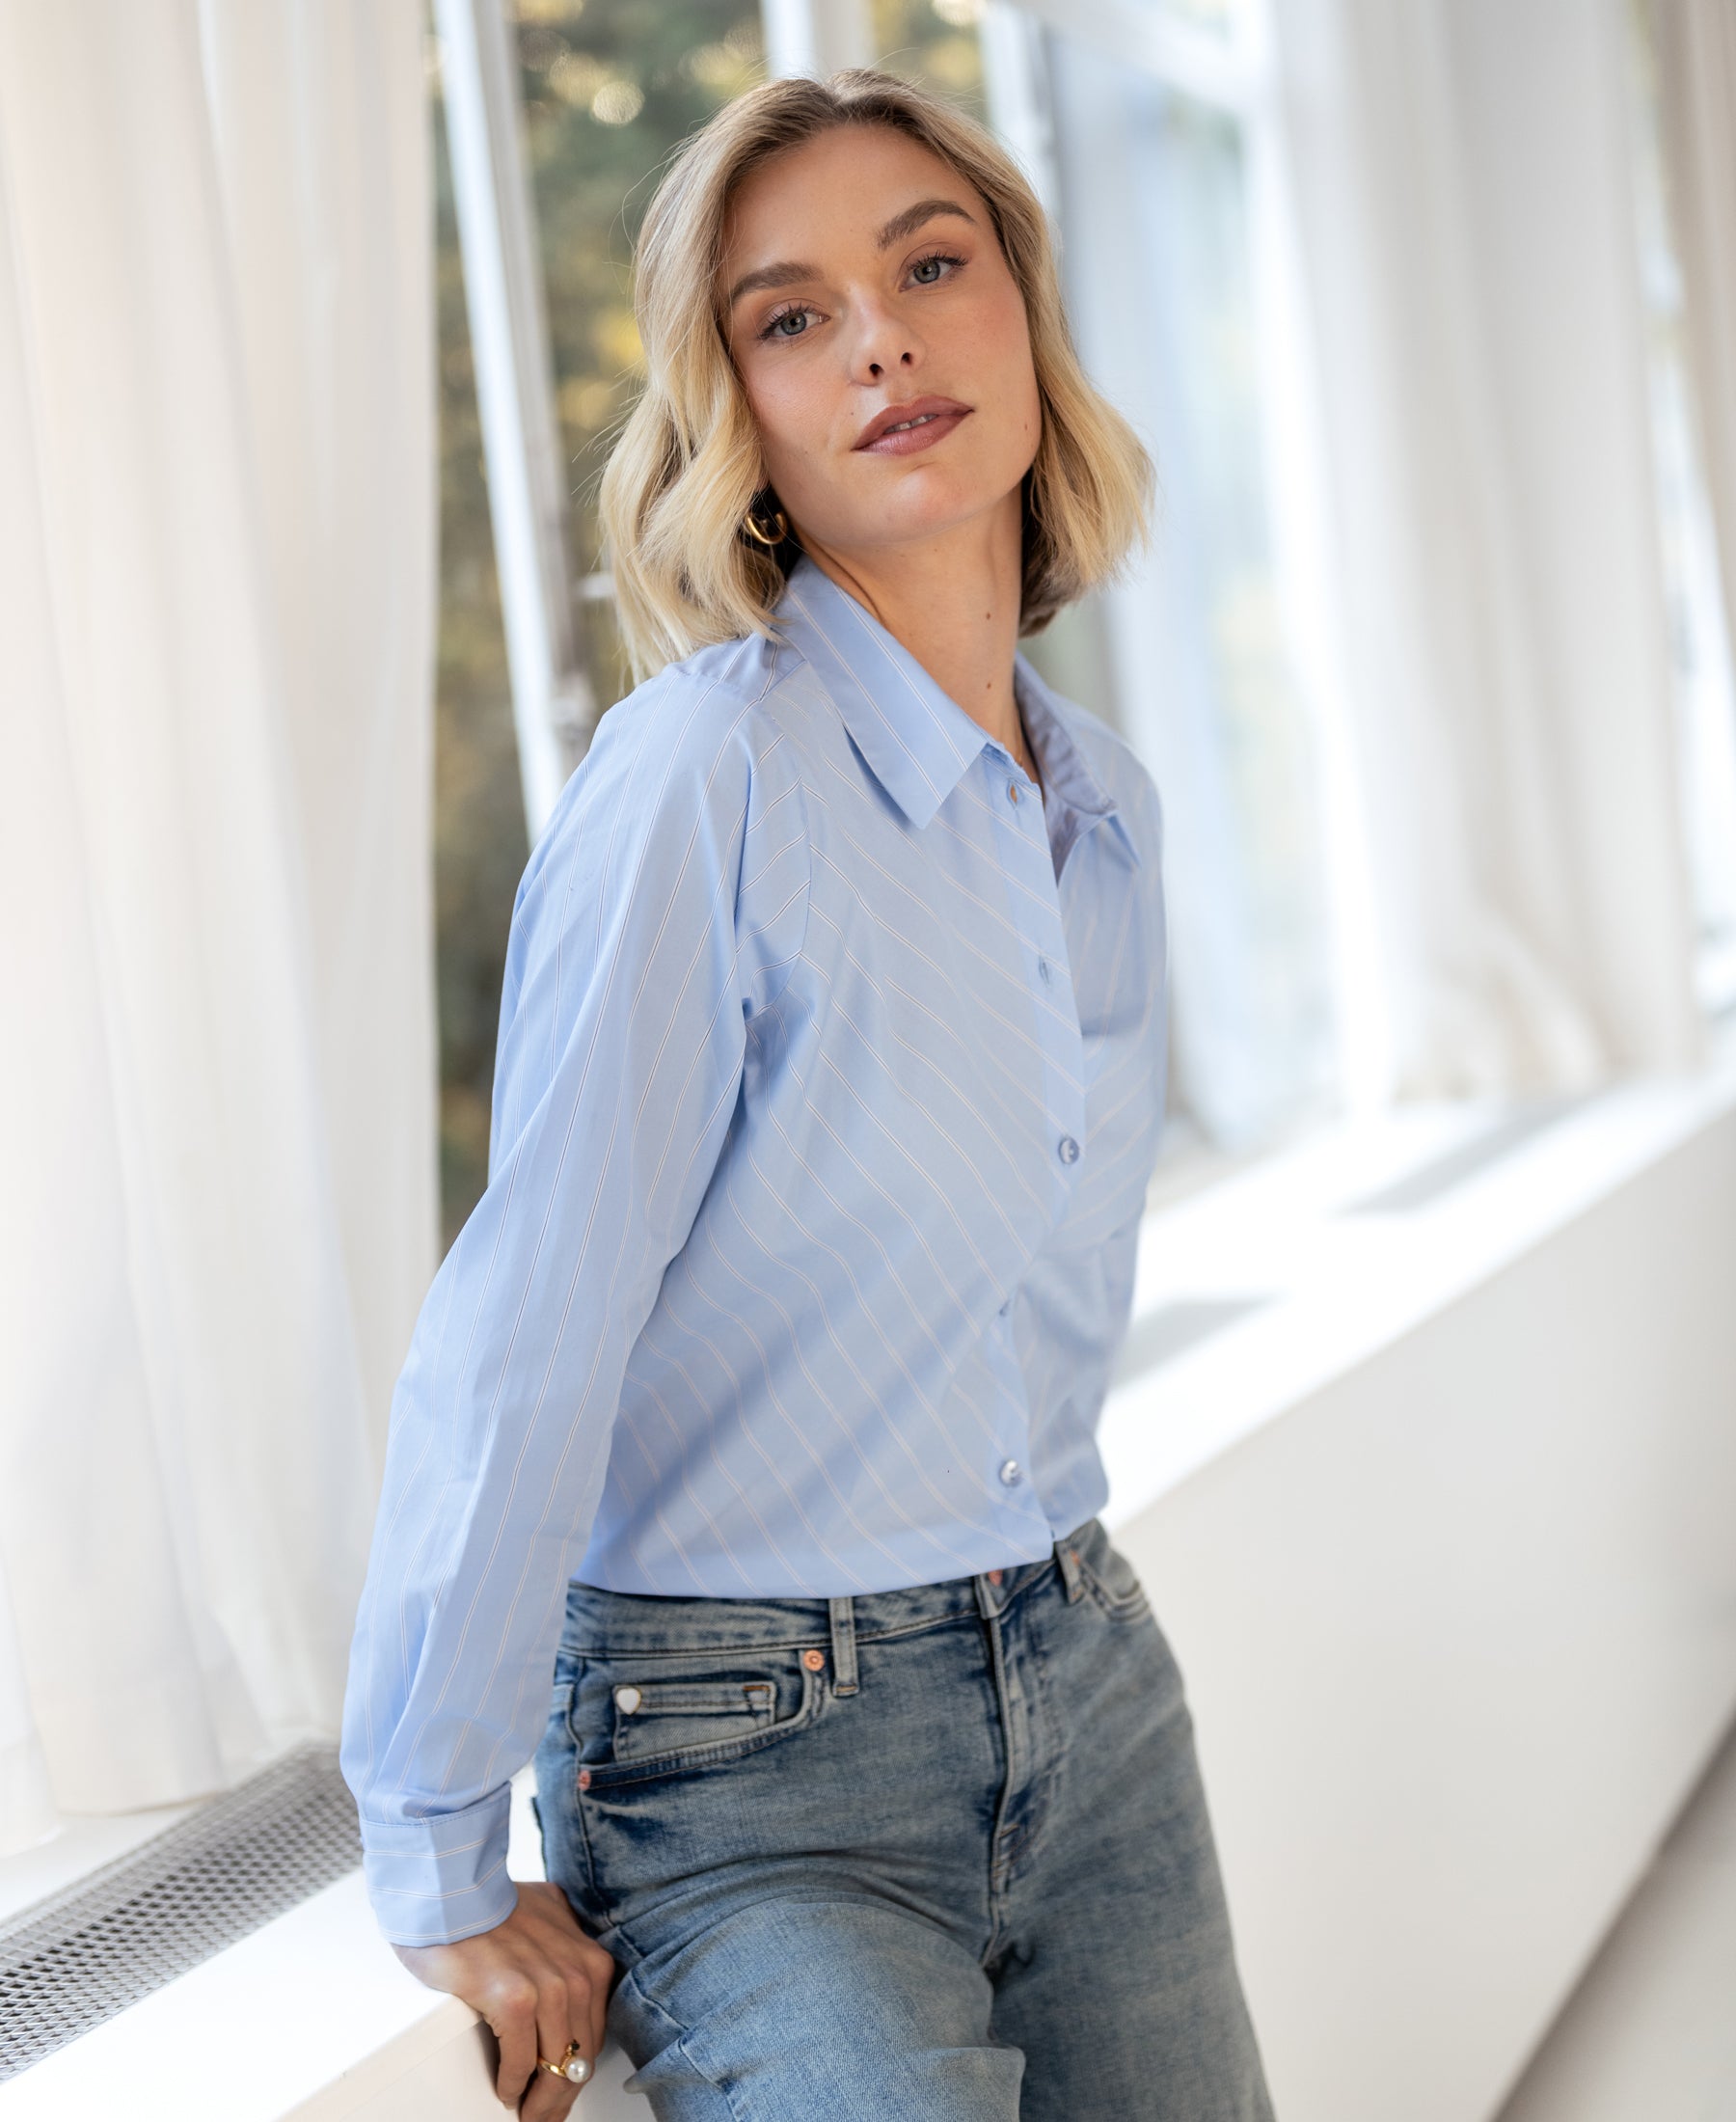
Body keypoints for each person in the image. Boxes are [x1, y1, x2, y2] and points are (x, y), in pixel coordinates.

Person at [340, 66, 1274, 2122]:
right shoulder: (700, 782)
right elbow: (535, 1312)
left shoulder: (1096, 811)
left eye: (931, 264)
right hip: (743, 1761)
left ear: (1019, 312)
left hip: (1088, 1673)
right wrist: (428, 1837)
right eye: (791, 314)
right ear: (737, 410)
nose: (882, 337)